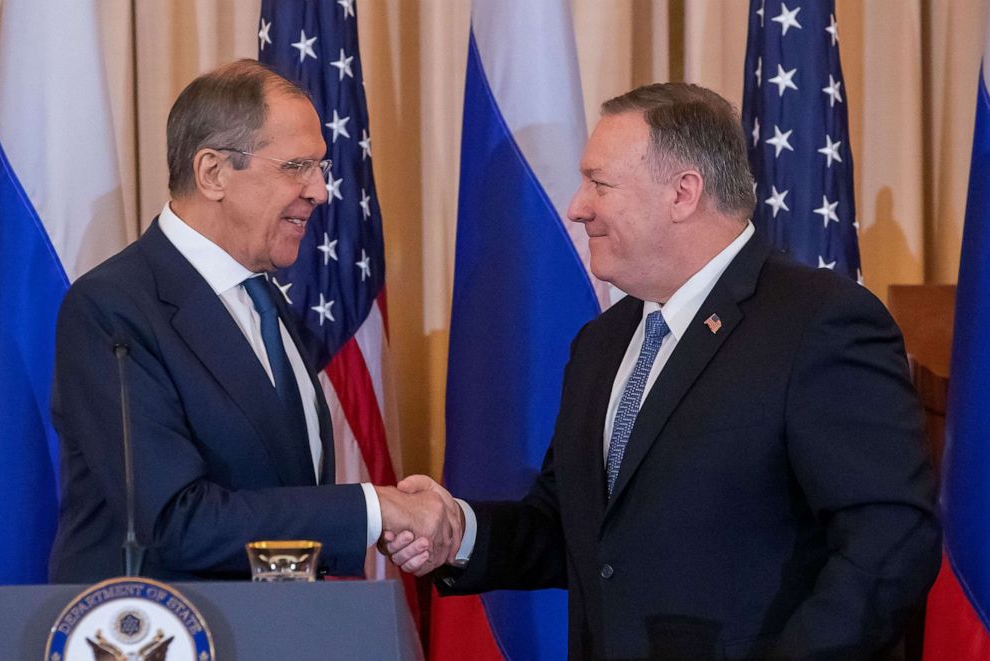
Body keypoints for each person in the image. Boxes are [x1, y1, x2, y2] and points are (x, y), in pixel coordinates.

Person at [384, 83, 941, 659]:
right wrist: (457, 530)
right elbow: (573, 529)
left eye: (599, 183)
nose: (577, 206)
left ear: (683, 193)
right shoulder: (601, 343)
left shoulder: (818, 321)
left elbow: (890, 539)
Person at [49, 60, 459, 583]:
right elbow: (176, 522)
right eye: (296, 167)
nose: (320, 192)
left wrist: (380, 521)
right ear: (213, 173)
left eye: (321, 168)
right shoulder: (113, 308)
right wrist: (371, 510)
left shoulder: (266, 304)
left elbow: (283, 493)